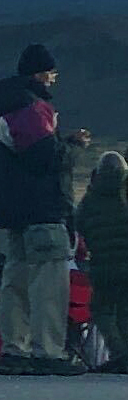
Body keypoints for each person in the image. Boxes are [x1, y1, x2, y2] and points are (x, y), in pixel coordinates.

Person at [0, 43, 88, 375]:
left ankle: (16, 348)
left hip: (14, 212)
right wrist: (72, 146)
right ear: (41, 74)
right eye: (52, 74)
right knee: (49, 282)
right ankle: (49, 350)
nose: (54, 81)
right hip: (42, 210)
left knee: (15, 279)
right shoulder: (30, 107)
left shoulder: (2, 106)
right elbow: (45, 160)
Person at [77, 152, 128, 374]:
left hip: (102, 268)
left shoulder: (90, 199)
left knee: (102, 310)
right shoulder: (124, 196)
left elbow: (79, 227)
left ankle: (118, 352)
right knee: (125, 311)